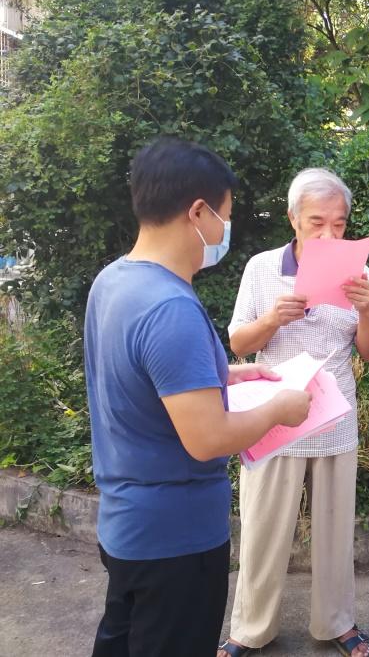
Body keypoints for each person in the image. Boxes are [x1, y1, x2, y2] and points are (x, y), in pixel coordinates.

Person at [85, 138, 312, 657]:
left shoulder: (114, 281)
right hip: (176, 541)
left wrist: (226, 374)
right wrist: (280, 408)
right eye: (224, 217)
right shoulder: (171, 308)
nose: (224, 229)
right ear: (197, 212)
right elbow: (207, 439)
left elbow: (135, 376)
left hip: (126, 526)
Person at [218, 168, 369, 657]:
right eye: (317, 222)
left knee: (335, 529)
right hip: (273, 415)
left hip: (334, 417)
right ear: (293, 218)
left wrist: (367, 310)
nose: (330, 234)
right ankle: (250, 629)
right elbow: (238, 342)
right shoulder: (262, 268)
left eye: (340, 223)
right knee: (263, 529)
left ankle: (336, 622)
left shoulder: (359, 273)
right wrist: (273, 318)